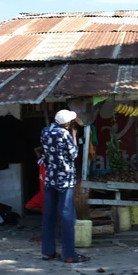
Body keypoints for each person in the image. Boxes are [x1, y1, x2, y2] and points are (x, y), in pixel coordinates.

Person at [40, 110, 90, 263]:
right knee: (67, 216)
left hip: (50, 178)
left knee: (48, 215)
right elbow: (73, 153)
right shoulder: (64, 134)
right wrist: (74, 135)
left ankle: (48, 252)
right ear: (67, 123)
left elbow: (47, 153)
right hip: (65, 179)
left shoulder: (45, 131)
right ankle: (69, 254)